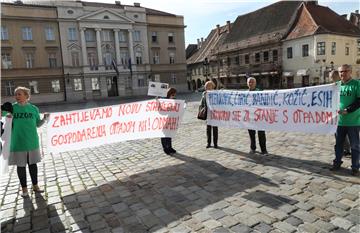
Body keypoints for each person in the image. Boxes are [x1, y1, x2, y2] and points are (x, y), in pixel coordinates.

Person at [8, 87, 49, 197]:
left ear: (26, 95)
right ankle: (24, 189)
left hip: (32, 142)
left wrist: (44, 119)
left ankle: (35, 186)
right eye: (16, 94)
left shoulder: (33, 108)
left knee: (33, 165)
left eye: (19, 94)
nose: (17, 96)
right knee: (21, 166)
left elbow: (37, 124)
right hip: (18, 142)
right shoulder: (11, 108)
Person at [330, 65, 360, 176]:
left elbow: (359, 100)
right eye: (341, 72)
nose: (343, 74)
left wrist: (348, 110)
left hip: (353, 122)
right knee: (338, 145)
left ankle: (355, 167)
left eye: (345, 71)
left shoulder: (357, 84)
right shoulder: (337, 85)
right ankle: (337, 163)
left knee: (355, 146)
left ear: (350, 71)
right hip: (339, 122)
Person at [329, 70, 351, 157]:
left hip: (345, 113)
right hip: (335, 113)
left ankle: (345, 149)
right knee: (337, 132)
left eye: (332, 77)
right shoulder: (333, 86)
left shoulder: (343, 85)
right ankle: (342, 148)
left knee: (343, 133)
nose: (331, 79)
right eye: (331, 77)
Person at [247, 77, 268, 155]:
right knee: (251, 134)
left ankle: (264, 150)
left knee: (261, 133)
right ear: (247, 84)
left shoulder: (260, 92)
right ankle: (252, 148)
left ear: (255, 83)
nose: (251, 84)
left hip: (259, 117)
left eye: (252, 82)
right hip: (249, 117)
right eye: (249, 82)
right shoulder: (244, 94)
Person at [200, 81, 218, 148]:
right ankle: (209, 143)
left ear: (212, 86)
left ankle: (215, 143)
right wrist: (202, 108)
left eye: (209, 86)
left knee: (215, 128)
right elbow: (202, 102)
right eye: (206, 86)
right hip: (207, 113)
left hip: (215, 113)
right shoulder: (204, 93)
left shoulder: (215, 93)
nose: (207, 87)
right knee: (208, 129)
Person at [161, 87, 177, 155]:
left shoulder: (174, 100)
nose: (174, 96)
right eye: (173, 95)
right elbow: (161, 110)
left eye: (174, 95)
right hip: (164, 120)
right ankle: (165, 148)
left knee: (169, 134)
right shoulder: (164, 100)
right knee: (164, 135)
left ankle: (170, 147)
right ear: (169, 94)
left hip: (170, 119)